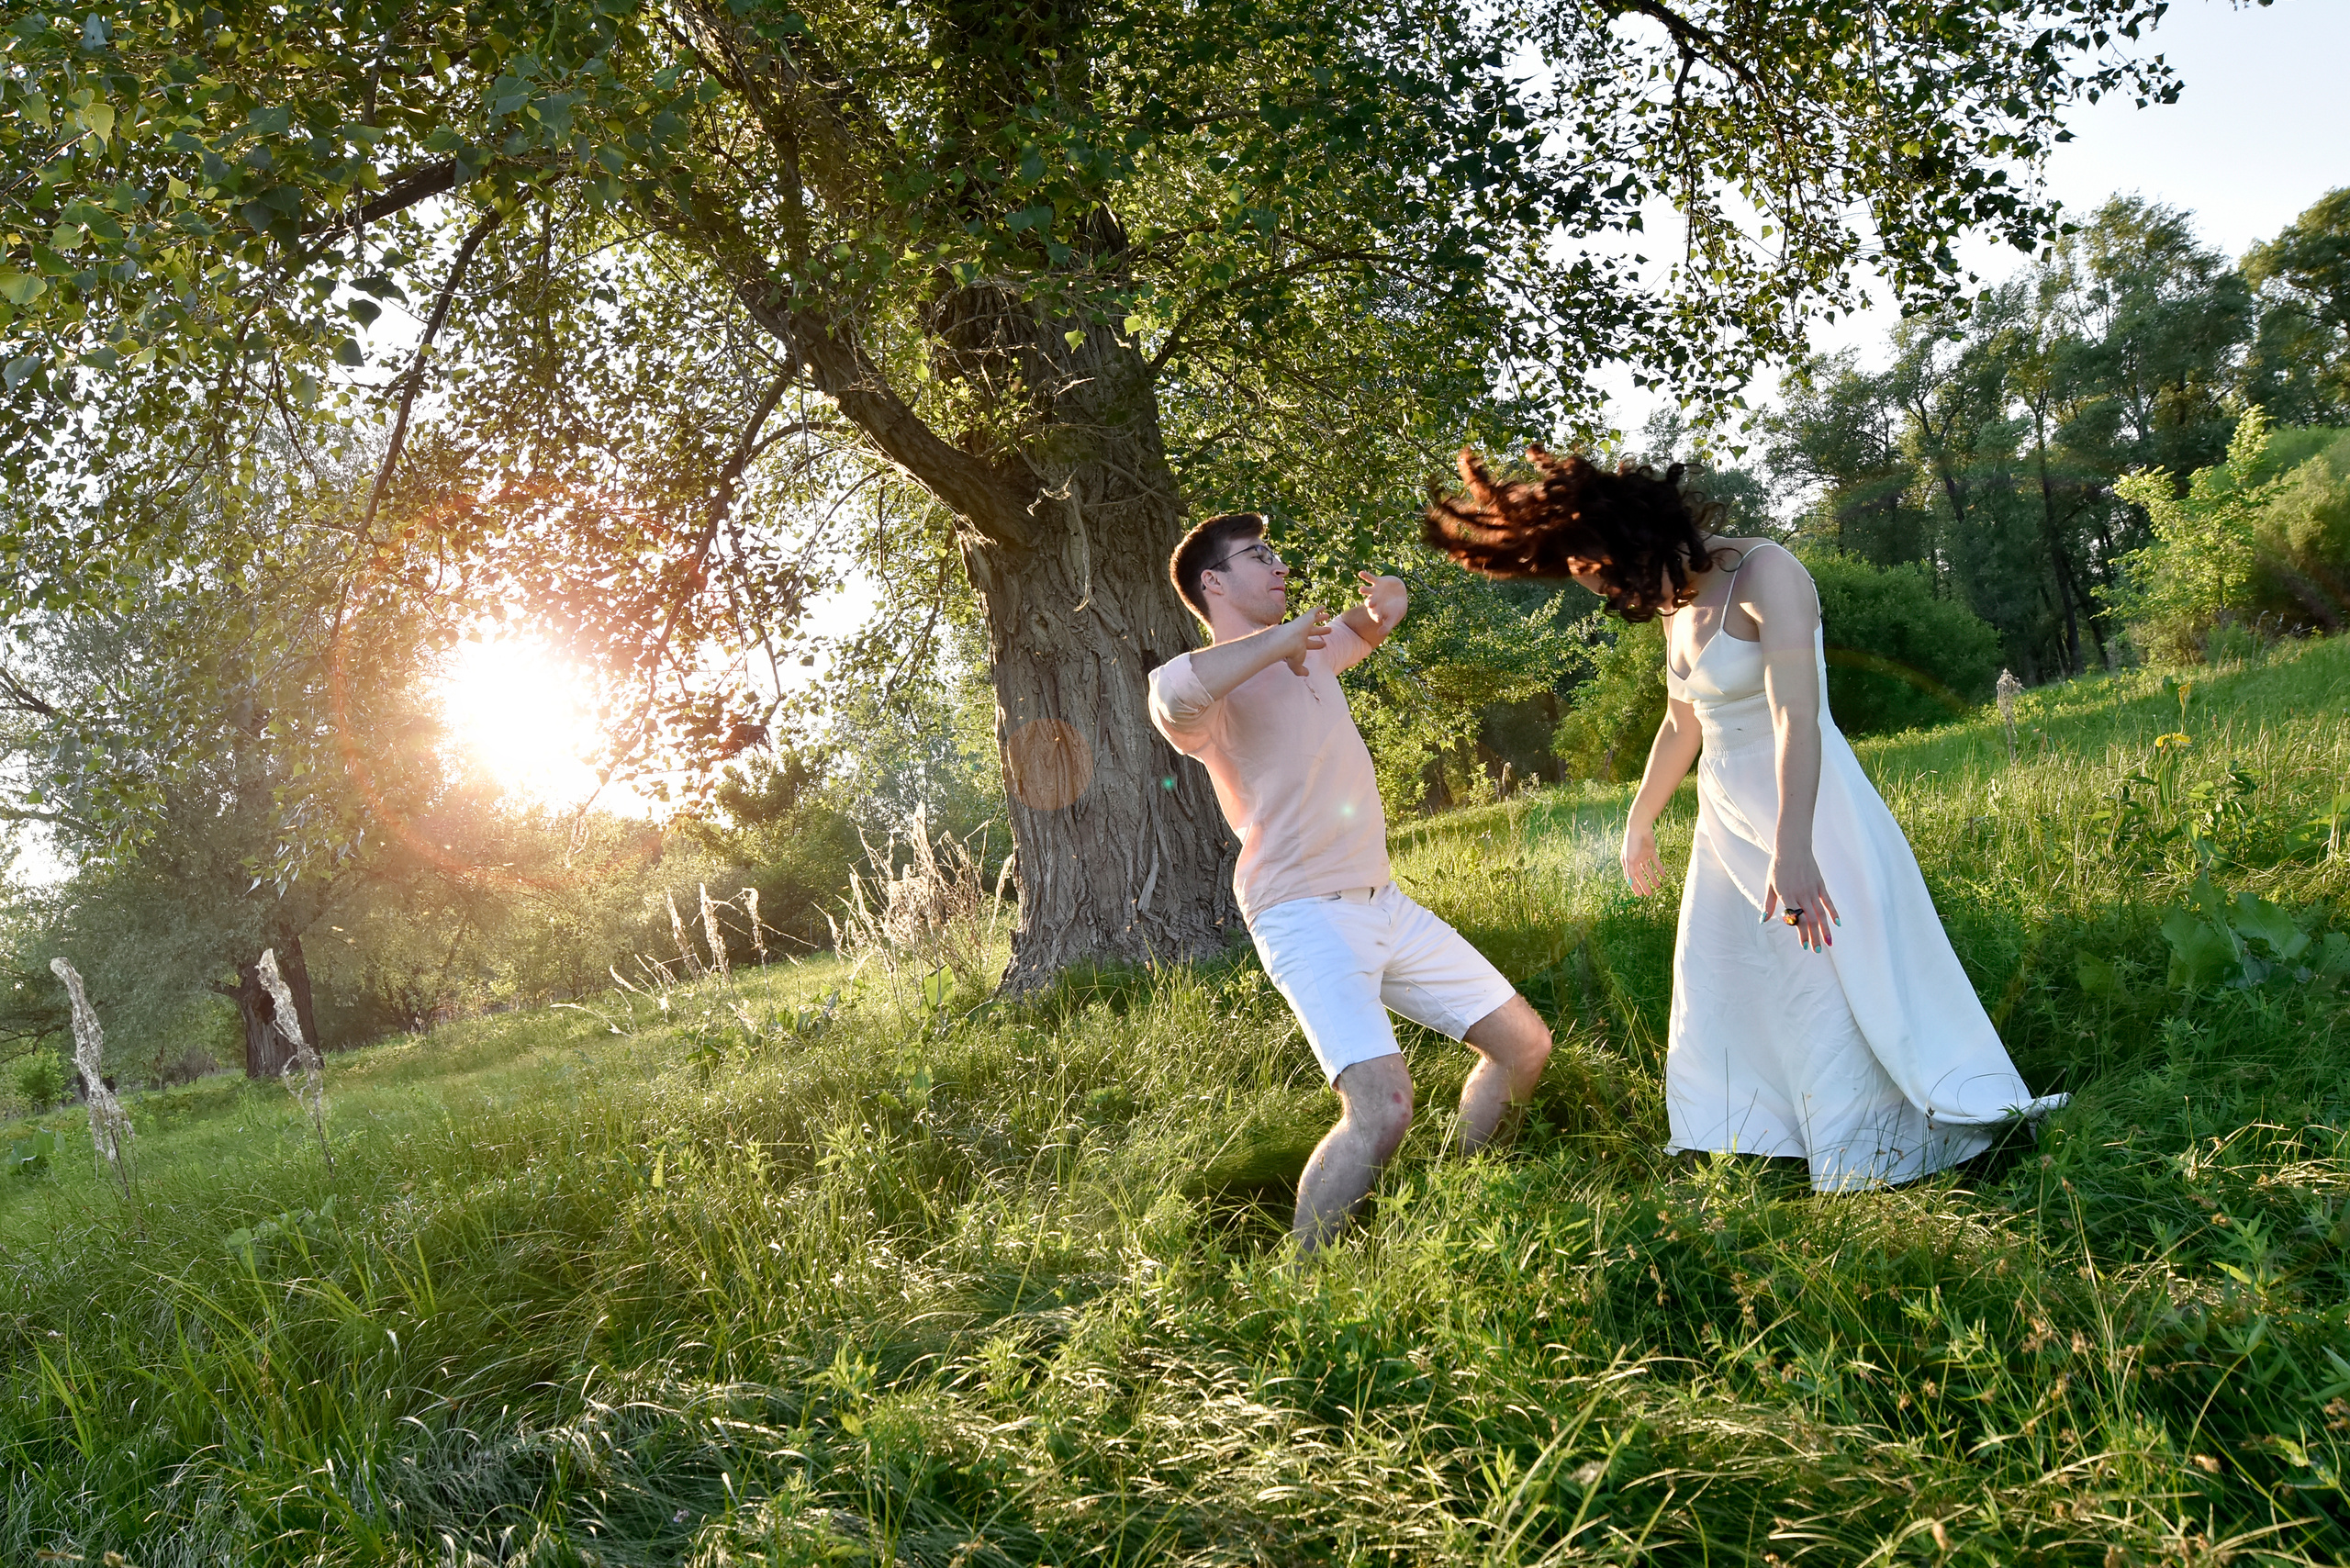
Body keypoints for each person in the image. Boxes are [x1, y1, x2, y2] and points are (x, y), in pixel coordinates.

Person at [1425, 448, 2065, 1190]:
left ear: (1640, 538)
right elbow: (1680, 723)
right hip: (1726, 811)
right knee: (1731, 973)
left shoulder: (1769, 575)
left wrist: (1794, 851)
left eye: (1606, 576)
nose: (1612, 597)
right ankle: (1765, 1130)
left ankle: (1872, 1152)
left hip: (1809, 805)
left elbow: (1799, 716)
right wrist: (1640, 818)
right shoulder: (1675, 601)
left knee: (1827, 973)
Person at [1147, 511, 1554, 1251]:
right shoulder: (1202, 693)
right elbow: (1172, 694)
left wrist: (1383, 609)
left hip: (1384, 902)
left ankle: (1462, 1202)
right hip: (1303, 913)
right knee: (1383, 1106)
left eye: (1276, 550)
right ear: (1213, 582)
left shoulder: (1305, 654)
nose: (1278, 565)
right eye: (1258, 555)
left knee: (1524, 1046)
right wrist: (1277, 640)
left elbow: (1362, 629)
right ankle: (1303, 1290)